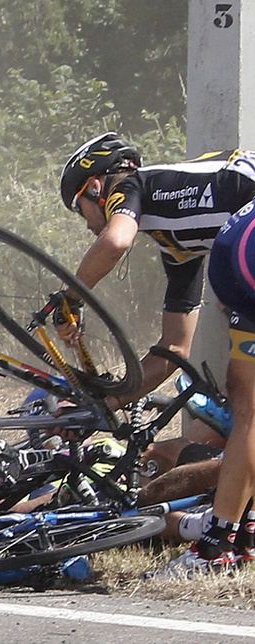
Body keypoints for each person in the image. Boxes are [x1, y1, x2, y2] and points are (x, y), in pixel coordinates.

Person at [58, 133, 255, 569]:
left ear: (95, 187)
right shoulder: (180, 244)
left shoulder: (132, 185)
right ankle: (240, 527)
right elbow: (172, 350)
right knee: (246, 397)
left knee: (248, 402)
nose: (86, 223)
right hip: (244, 245)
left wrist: (69, 296)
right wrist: (107, 403)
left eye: (80, 208)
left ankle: (219, 543)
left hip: (246, 241)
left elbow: (113, 242)